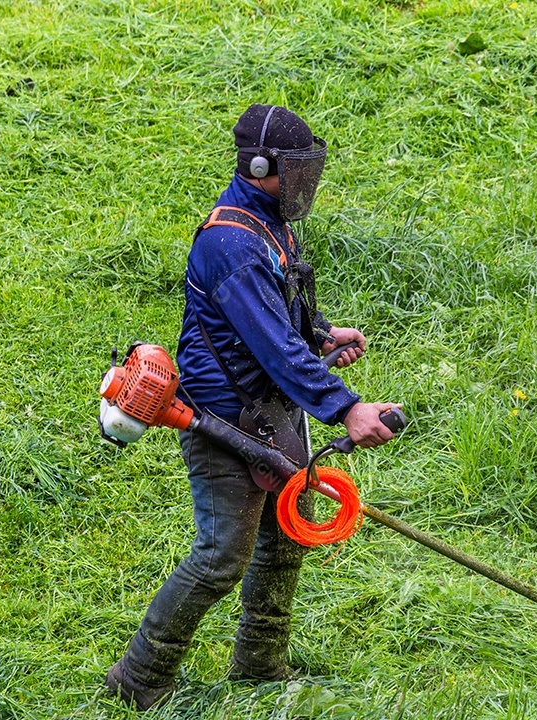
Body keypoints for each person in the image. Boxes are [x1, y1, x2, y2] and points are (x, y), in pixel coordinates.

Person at [106, 104, 400, 710]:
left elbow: (280, 321)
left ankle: (260, 669)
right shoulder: (232, 244)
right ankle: (136, 679)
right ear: (259, 166)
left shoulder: (270, 224)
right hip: (223, 418)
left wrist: (319, 335)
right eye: (293, 172)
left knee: (284, 539)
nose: (304, 185)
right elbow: (271, 348)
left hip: (272, 411)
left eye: (308, 171)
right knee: (220, 558)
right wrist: (347, 409)